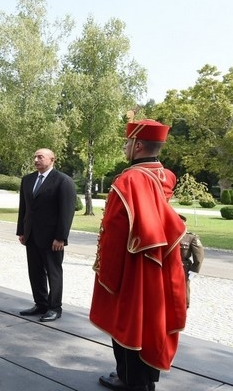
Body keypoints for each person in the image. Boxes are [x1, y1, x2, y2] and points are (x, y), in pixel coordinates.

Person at [90, 119, 187, 391]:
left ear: (139, 145)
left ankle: (131, 381)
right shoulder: (165, 175)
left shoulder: (130, 179)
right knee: (153, 321)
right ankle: (145, 379)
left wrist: (107, 273)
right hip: (161, 262)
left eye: (127, 142)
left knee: (129, 321)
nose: (124, 147)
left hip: (133, 265)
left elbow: (115, 229)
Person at [16, 148, 76, 322]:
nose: (36, 159)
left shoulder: (63, 181)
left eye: (40, 157)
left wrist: (61, 237)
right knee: (35, 271)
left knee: (53, 272)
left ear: (52, 160)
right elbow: (24, 208)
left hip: (52, 238)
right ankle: (40, 303)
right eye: (34, 156)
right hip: (32, 235)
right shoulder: (27, 180)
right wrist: (21, 231)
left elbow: (66, 212)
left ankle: (54, 307)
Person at [178, 214, 204, 308]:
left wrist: (194, 270)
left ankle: (184, 307)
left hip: (183, 266)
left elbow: (199, 255)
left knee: (184, 289)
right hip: (167, 266)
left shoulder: (190, 237)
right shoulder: (167, 235)